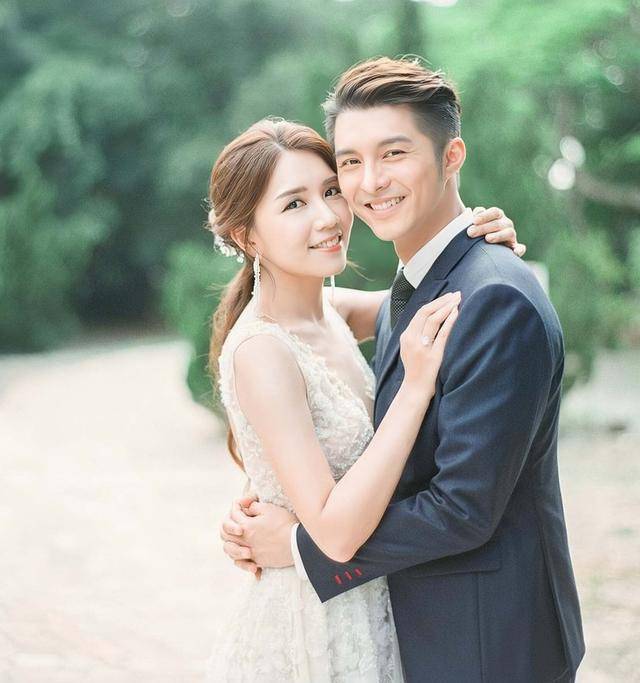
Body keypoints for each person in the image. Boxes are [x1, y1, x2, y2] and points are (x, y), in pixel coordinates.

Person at [219, 57, 585, 682]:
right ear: (246, 235)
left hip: (486, 641)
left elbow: (462, 508)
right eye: (350, 163)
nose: (366, 185)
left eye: (393, 154)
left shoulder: (488, 296)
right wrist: (268, 498)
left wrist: (298, 547)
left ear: (451, 156)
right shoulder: (410, 291)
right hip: (391, 625)